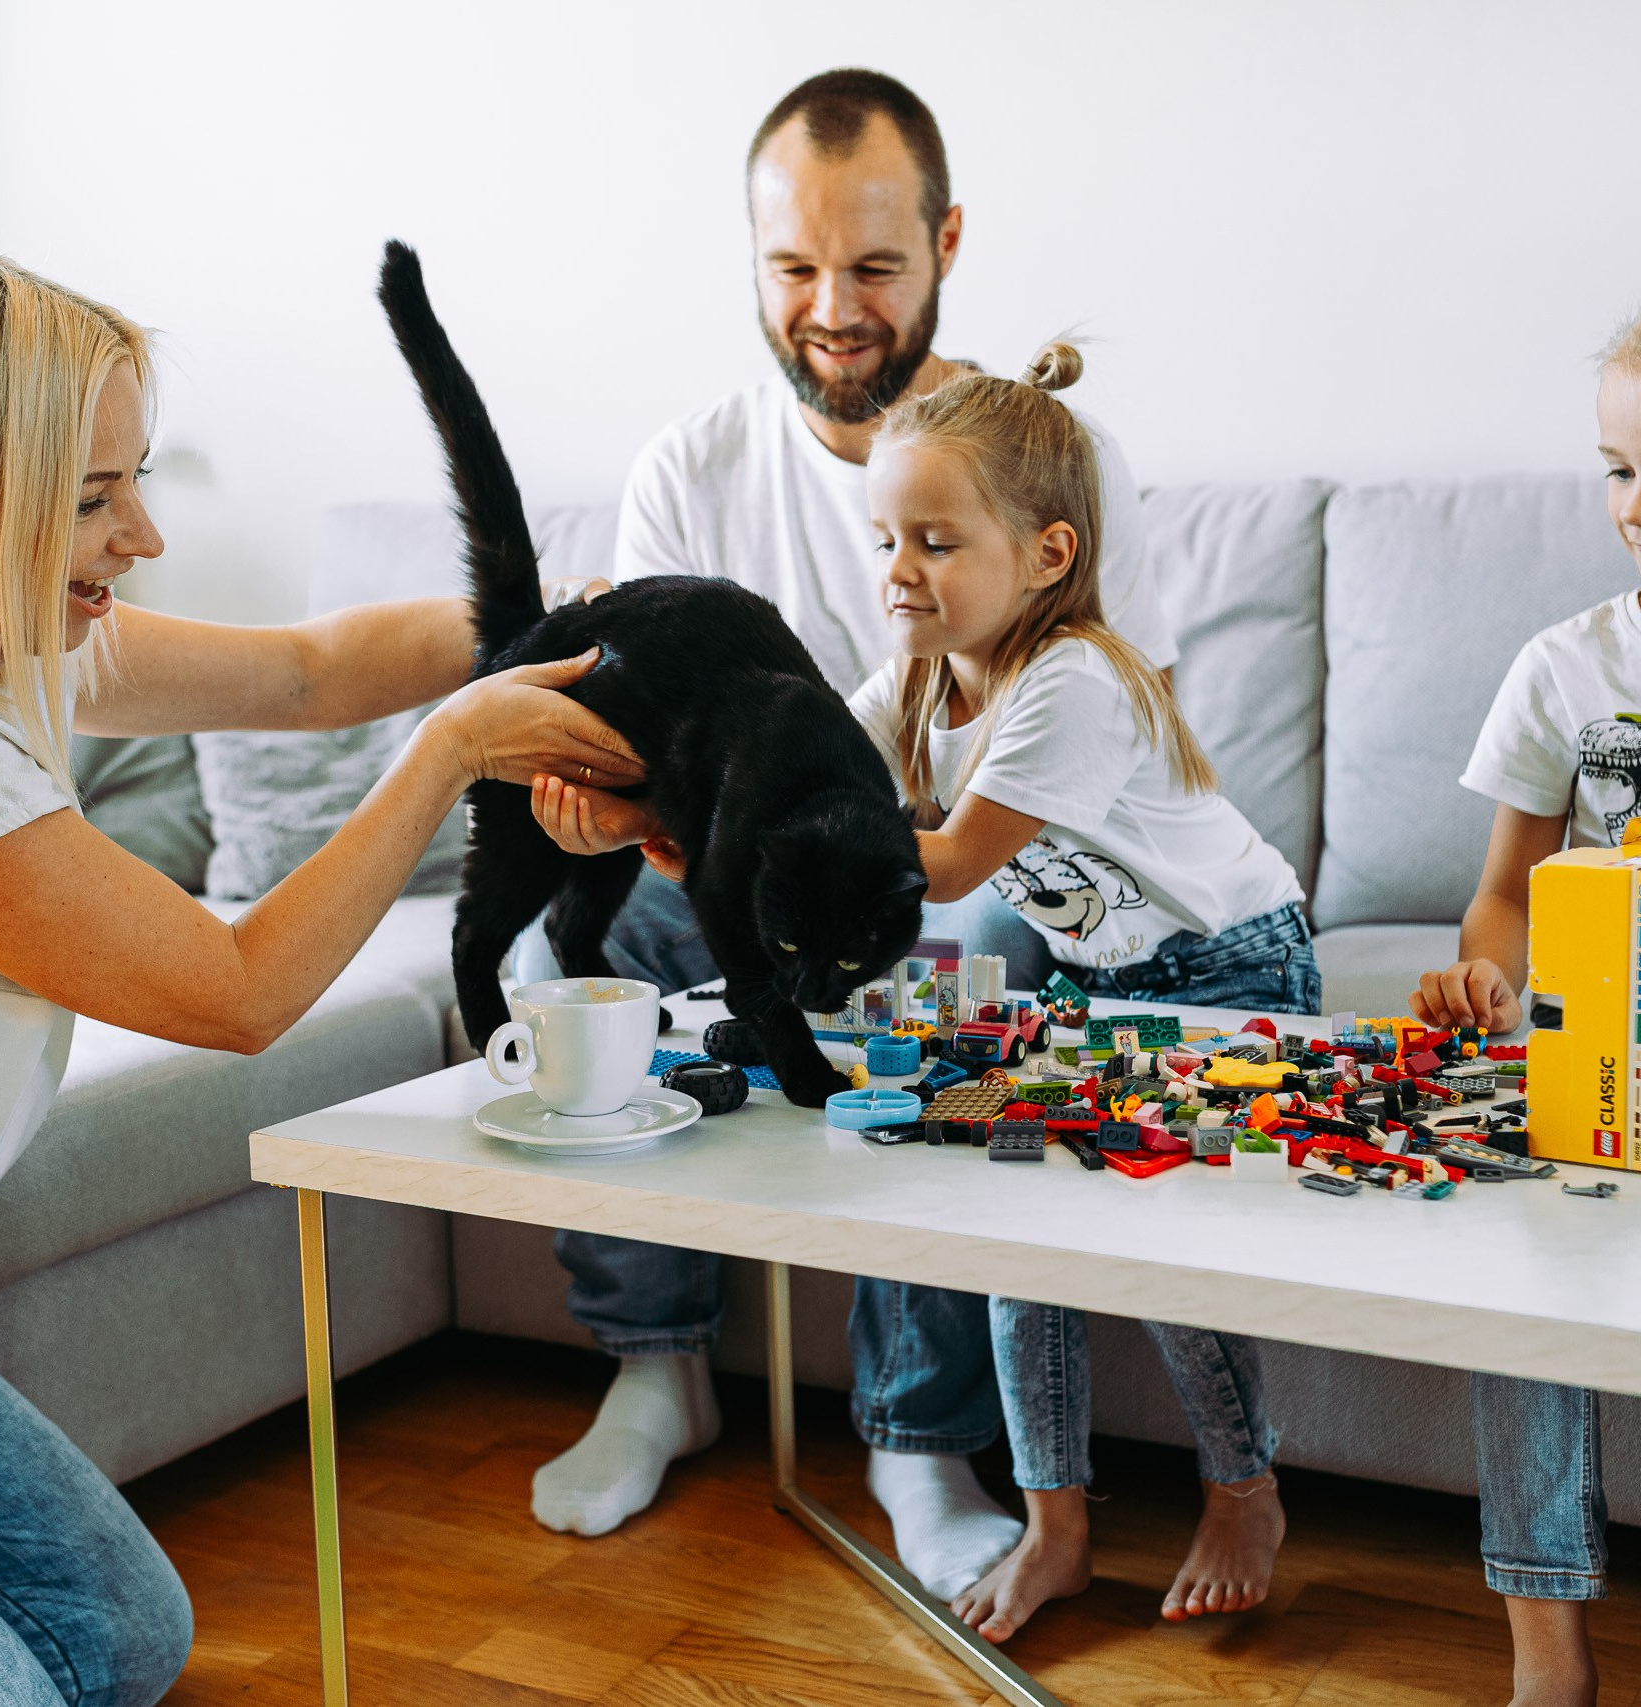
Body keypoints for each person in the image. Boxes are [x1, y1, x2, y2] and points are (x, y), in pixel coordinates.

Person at [0, 247, 643, 1703]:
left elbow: (309, 674)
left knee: (118, 1642)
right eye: (90, 497)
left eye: (134, 479)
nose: (139, 533)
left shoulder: (14, 641)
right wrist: (452, 746)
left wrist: (586, 628)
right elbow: (237, 990)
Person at [524, 68, 1184, 1604]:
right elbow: (642, 732)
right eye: (794, 267)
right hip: (722, 875)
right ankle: (652, 1368)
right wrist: (609, 811)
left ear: (946, 241)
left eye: (875, 266)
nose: (832, 306)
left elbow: (1080, 753)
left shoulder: (1048, 469)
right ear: (750, 258)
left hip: (955, 875)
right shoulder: (688, 470)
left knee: (974, 959)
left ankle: (915, 1439)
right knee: (596, 937)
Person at [535, 341, 1315, 1636]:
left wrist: (742, 833)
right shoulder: (907, 679)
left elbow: (945, 869)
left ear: (1048, 556)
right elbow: (782, 783)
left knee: (1171, 1253)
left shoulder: (1080, 680)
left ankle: (1242, 1489)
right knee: (1006, 1234)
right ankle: (1056, 1523)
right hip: (1092, 975)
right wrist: (641, 825)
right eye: (885, 540)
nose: (897, 574)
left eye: (935, 544)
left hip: (1231, 966)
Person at [1411, 301, 1641, 1707]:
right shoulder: (1566, 668)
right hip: (1588, 1061)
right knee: (1523, 1284)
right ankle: (1546, 1662)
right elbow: (1503, 890)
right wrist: (1493, 972)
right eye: (1618, 468)